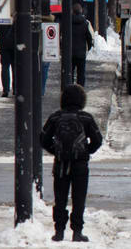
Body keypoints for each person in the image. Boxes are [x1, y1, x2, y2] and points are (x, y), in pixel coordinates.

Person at [41, 84, 103, 242]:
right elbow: (97, 140)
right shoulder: (86, 118)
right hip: (80, 164)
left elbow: (43, 139)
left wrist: (56, 150)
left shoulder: (55, 117)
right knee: (79, 198)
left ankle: (59, 231)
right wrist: (86, 151)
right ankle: (77, 231)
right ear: (82, 100)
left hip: (61, 164)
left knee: (60, 198)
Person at [72, 4, 94, 87]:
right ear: (81, 11)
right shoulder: (85, 23)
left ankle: (70, 86)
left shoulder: (69, 22)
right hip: (81, 53)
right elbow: (89, 37)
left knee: (70, 71)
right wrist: (89, 47)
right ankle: (80, 88)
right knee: (81, 73)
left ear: (73, 11)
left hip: (70, 52)